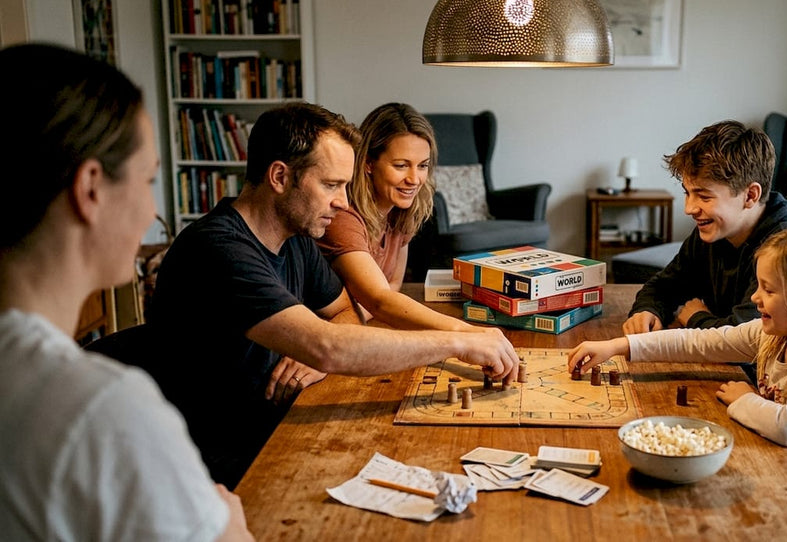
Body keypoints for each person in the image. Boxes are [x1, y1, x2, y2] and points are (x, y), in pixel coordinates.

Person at [148, 102, 519, 489]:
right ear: (279, 176)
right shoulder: (218, 248)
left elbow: (344, 313)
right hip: (215, 464)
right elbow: (328, 343)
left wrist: (319, 355)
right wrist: (458, 342)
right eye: (331, 185)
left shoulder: (295, 239)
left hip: (280, 424)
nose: (344, 202)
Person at [0, 43, 252, 540]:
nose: (149, 210)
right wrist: (234, 528)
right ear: (91, 188)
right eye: (148, 178)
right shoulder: (101, 410)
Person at [569, 225, 787, 535]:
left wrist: (745, 398)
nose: (756, 297)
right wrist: (619, 347)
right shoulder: (773, 334)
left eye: (769, 290)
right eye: (758, 285)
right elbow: (700, 342)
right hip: (780, 486)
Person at [623, 120, 787, 334]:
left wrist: (696, 317)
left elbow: (749, 337)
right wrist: (647, 310)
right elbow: (664, 285)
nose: (689, 209)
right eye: (687, 193)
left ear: (750, 195)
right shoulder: (714, 230)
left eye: (704, 197)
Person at [316, 102, 478, 330]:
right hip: (320, 340)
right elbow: (381, 300)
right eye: (401, 165)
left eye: (422, 166)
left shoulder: (401, 211)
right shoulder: (342, 217)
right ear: (368, 163)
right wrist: (467, 333)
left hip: (354, 328)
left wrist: (360, 313)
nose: (414, 179)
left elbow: (394, 284)